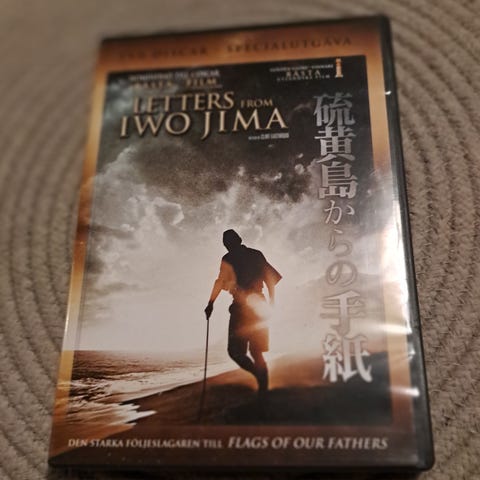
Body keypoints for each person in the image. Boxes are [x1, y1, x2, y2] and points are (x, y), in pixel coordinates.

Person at [205, 229, 282, 394]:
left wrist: (211, 303)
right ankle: (262, 381)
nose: (227, 246)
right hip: (255, 306)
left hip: (245, 308)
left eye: (227, 242)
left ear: (233, 242)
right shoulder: (251, 255)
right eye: (226, 243)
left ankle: (261, 382)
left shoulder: (233, 258)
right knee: (252, 351)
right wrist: (272, 302)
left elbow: (220, 282)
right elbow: (270, 280)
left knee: (240, 352)